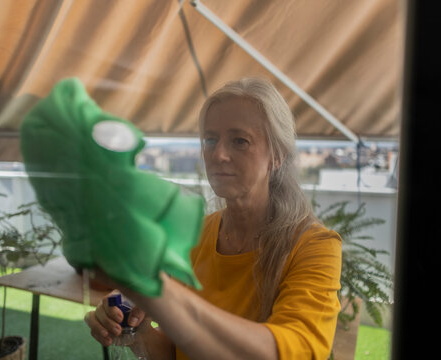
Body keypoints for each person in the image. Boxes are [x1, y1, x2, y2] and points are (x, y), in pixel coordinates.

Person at [84, 77, 342, 359]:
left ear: (276, 155)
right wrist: (136, 330)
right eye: (210, 139)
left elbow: (295, 350)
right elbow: (176, 352)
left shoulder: (315, 246)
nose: (218, 154)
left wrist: (163, 297)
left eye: (239, 141)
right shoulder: (197, 236)